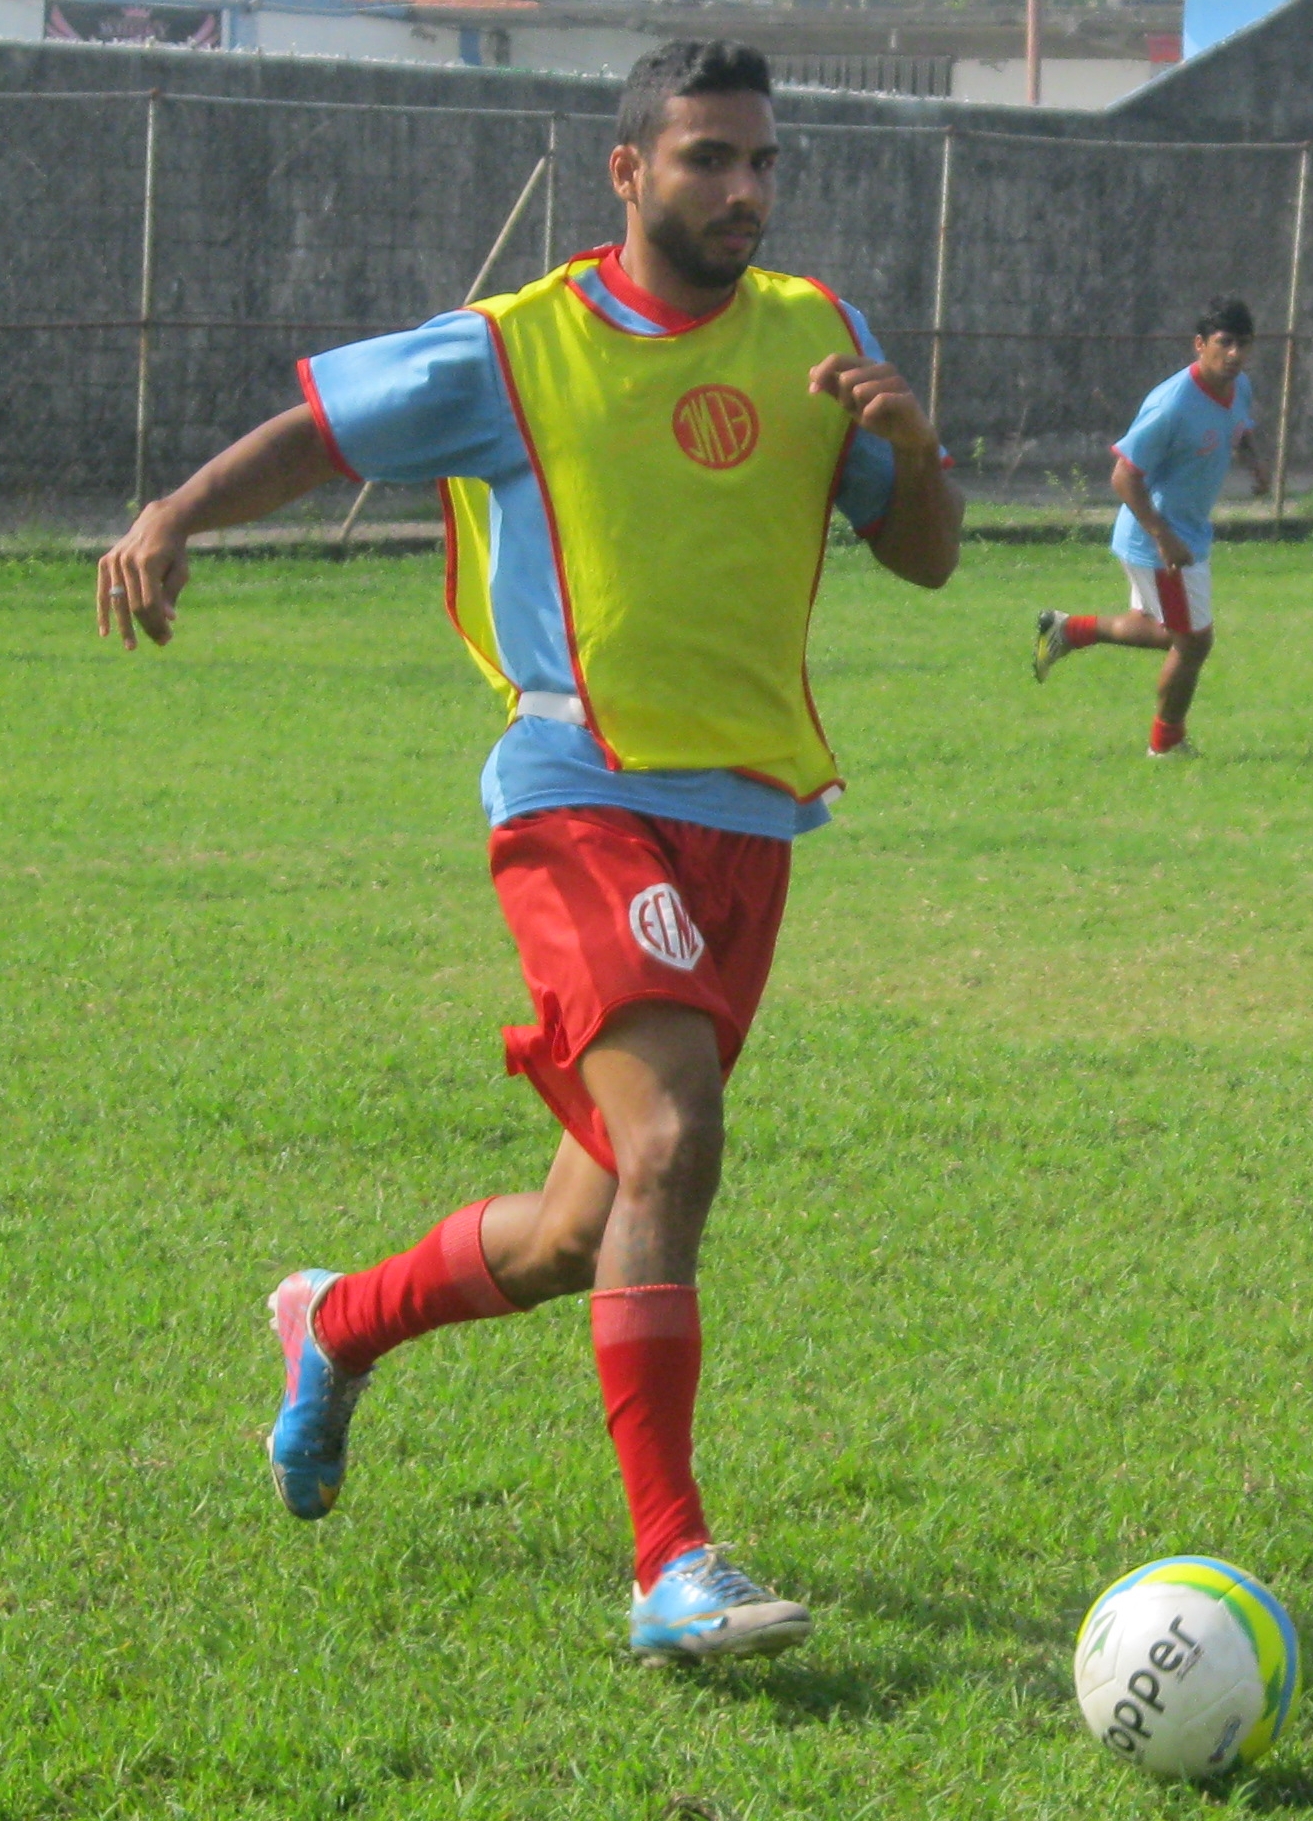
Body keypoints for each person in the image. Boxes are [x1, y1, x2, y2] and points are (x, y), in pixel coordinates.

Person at [93, 39, 961, 1663]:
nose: (744, 190)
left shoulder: (814, 337)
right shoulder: (518, 348)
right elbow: (320, 429)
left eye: (762, 161)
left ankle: (332, 1322)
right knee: (672, 1142)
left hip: (749, 820)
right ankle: (670, 1563)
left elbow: (920, 557)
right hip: (574, 784)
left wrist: (910, 447)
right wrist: (170, 519)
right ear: (626, 173)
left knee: (581, 1227)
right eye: (707, 158)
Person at [1031, 297, 1270, 758]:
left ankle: (1066, 630)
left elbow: (1239, 427)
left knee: (1165, 631)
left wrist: (1254, 462)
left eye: (1244, 344)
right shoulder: (1171, 405)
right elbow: (1123, 476)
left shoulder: (1238, 387)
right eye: (1225, 343)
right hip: (1159, 540)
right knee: (1194, 642)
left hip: (1185, 533)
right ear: (1200, 345)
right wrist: (1163, 535)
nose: (1235, 354)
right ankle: (1167, 743)